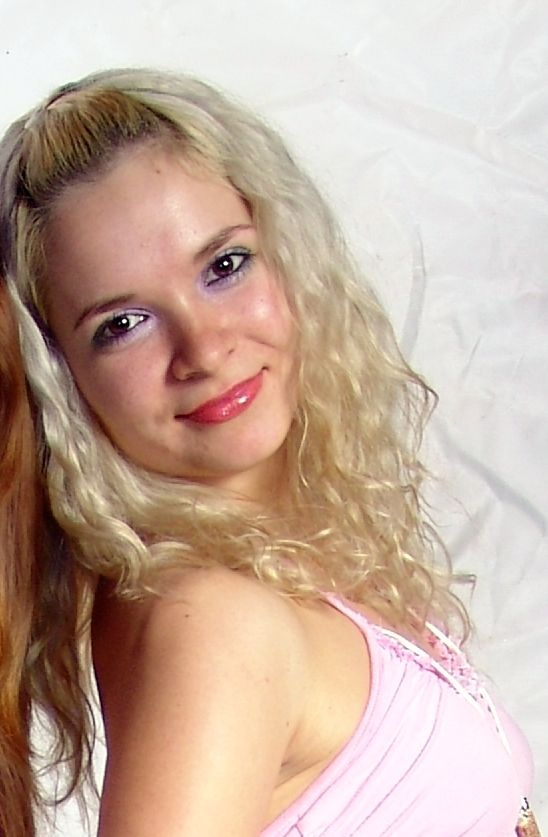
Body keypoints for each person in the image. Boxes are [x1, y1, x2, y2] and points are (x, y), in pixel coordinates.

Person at [0, 68, 538, 836]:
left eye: (224, 266)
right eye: (122, 324)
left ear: (287, 253)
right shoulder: (216, 624)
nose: (205, 347)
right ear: (62, 378)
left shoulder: (269, 566)